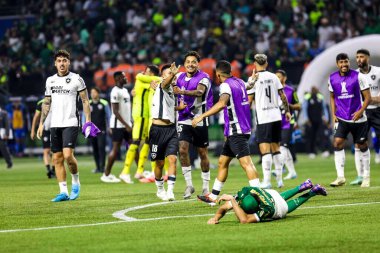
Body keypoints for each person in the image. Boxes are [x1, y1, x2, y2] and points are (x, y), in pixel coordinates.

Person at [193, 60, 260, 206]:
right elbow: (248, 85)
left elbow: (222, 102)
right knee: (223, 162)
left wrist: (202, 116)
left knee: (246, 163)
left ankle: (260, 195)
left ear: (217, 74)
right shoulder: (239, 81)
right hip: (238, 130)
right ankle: (213, 196)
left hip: (237, 130)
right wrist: (252, 80)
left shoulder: (225, 85)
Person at [37, 49, 91, 202]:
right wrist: (41, 123)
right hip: (55, 124)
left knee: (68, 155)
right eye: (59, 61)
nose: (62, 63)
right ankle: (63, 192)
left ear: (69, 62)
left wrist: (88, 120)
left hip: (71, 122)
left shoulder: (77, 79)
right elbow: (47, 103)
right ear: (55, 63)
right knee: (57, 159)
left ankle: (76, 182)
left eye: (64, 60)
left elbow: (85, 100)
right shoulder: (50, 81)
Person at [173, 51, 213, 199]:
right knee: (182, 150)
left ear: (198, 64)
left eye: (193, 62)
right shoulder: (179, 77)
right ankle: (189, 185)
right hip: (184, 119)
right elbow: (165, 82)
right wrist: (156, 83)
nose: (190, 64)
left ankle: (205, 187)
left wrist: (181, 91)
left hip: (200, 118)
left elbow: (199, 92)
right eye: (188, 62)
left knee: (202, 153)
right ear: (184, 64)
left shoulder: (204, 77)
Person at [249, 54, 291, 189]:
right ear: (266, 64)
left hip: (264, 117)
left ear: (255, 64)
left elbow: (249, 101)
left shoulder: (254, 79)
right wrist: (288, 111)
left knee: (265, 150)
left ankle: (267, 181)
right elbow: (283, 96)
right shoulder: (274, 77)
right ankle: (279, 180)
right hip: (276, 116)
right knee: (276, 148)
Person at [329, 53, 371, 188]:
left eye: (346, 62)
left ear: (348, 62)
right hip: (342, 117)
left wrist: (361, 111)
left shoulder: (359, 76)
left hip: (358, 119)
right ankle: (340, 177)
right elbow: (332, 97)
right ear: (337, 64)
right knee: (337, 142)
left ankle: (366, 177)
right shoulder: (332, 78)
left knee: (362, 146)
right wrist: (333, 114)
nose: (344, 65)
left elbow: (368, 97)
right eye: (341, 62)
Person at [207, 179, 327, 224]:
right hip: (271, 193)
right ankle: (302, 186)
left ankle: (312, 192)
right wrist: (216, 218)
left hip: (277, 207)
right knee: (278, 196)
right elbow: (224, 207)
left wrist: (232, 200)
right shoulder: (247, 191)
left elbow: (244, 220)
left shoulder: (266, 209)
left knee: (287, 206)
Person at [120, 65, 161, 181]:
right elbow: (143, 79)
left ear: (151, 74)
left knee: (148, 142)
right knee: (136, 141)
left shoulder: (148, 82)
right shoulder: (140, 78)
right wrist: (164, 79)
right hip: (142, 115)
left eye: (146, 71)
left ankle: (140, 171)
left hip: (148, 116)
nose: (143, 72)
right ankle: (125, 171)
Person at [150, 62, 182, 201]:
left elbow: (166, 107)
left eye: (172, 73)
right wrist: (173, 74)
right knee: (159, 163)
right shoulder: (162, 85)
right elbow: (165, 83)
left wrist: (178, 108)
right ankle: (160, 189)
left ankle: (170, 191)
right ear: (162, 76)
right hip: (157, 131)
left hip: (171, 130)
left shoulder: (170, 89)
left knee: (173, 159)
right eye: (169, 73)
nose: (172, 75)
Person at [351, 49, 380, 185]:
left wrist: (369, 99)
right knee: (358, 143)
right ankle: (360, 176)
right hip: (362, 112)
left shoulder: (378, 72)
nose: (358, 59)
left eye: (361, 56)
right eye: (357, 57)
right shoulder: (354, 75)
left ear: (368, 58)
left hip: (378, 112)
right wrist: (370, 100)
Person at [101, 71, 132, 183]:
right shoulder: (115, 91)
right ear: (118, 78)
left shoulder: (125, 90)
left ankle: (139, 172)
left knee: (133, 147)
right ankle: (106, 174)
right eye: (124, 76)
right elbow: (115, 111)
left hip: (126, 124)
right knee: (116, 149)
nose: (126, 77)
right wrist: (126, 125)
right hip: (118, 125)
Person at [275, 70, 301, 180]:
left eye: (279, 77)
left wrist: (288, 105)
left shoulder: (291, 90)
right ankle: (292, 172)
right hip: (276, 121)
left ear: (284, 78)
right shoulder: (272, 91)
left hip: (288, 122)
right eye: (275, 76)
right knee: (282, 146)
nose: (277, 78)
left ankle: (279, 170)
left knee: (283, 146)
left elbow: (299, 106)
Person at [87, 87, 111, 173]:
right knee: (95, 148)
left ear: (98, 93)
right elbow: (85, 117)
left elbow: (109, 116)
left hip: (102, 130)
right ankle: (97, 167)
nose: (93, 94)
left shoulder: (104, 103)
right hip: (91, 130)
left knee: (101, 148)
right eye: (91, 92)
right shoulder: (88, 104)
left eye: (94, 92)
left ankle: (102, 167)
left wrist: (110, 127)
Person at [302, 87, 331, 158]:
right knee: (311, 136)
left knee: (322, 135)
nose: (314, 90)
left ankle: (324, 151)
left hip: (319, 119)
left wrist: (326, 118)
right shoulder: (307, 97)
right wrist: (306, 119)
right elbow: (304, 108)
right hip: (310, 120)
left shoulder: (320, 96)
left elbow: (324, 108)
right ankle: (311, 152)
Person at [30, 98, 55, 178]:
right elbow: (36, 117)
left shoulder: (58, 100)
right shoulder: (41, 103)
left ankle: (54, 170)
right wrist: (32, 130)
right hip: (45, 130)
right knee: (46, 151)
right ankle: (48, 170)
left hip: (55, 129)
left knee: (54, 151)